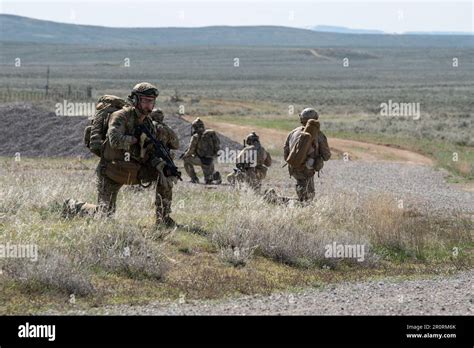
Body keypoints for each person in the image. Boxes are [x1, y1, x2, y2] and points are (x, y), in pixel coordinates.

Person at [63, 82, 179, 226]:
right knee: (105, 216)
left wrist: (159, 162)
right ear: (135, 100)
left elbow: (149, 150)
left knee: (166, 174)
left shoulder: (149, 123)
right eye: (145, 101)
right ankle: (73, 206)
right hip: (113, 170)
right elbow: (115, 140)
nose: (149, 105)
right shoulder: (121, 116)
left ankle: (164, 219)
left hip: (135, 170)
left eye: (151, 102)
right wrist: (136, 139)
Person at [283, 108, 331, 202]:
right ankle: (296, 205)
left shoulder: (292, 133)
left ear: (301, 119)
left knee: (301, 187)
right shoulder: (318, 134)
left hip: (293, 167)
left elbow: (285, 153)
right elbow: (326, 156)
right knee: (308, 197)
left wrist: (296, 159)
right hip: (308, 169)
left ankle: (297, 203)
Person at [182, 118, 222, 184]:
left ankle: (194, 178)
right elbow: (218, 145)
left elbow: (191, 151)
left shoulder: (196, 137)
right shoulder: (210, 134)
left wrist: (185, 155)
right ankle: (214, 176)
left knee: (186, 159)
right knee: (208, 179)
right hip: (210, 159)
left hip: (201, 159)